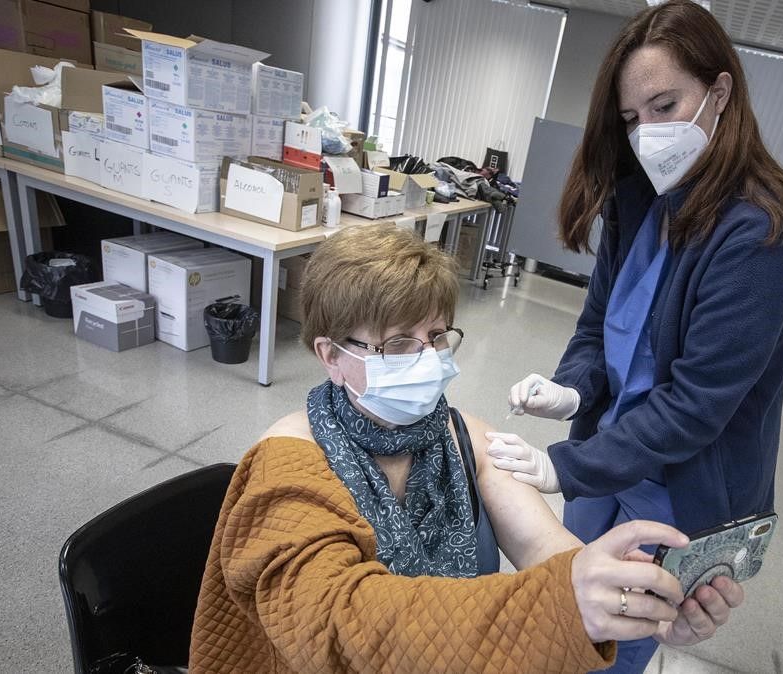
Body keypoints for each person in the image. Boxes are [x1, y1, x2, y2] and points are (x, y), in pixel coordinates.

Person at [188, 225, 745, 674]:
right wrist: (558, 603)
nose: (428, 358)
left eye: (436, 336)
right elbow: (338, 626)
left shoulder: (460, 435)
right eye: (398, 342)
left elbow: (544, 545)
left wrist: (635, 601)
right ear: (330, 356)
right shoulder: (286, 462)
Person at [487, 2, 783, 672]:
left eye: (665, 105)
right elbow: (599, 327)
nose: (648, 134)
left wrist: (563, 467)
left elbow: (697, 405)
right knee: (564, 602)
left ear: (719, 93)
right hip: (612, 457)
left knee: (615, 641)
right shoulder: (641, 202)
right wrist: (572, 392)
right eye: (632, 119)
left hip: (679, 485)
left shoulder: (759, 237)